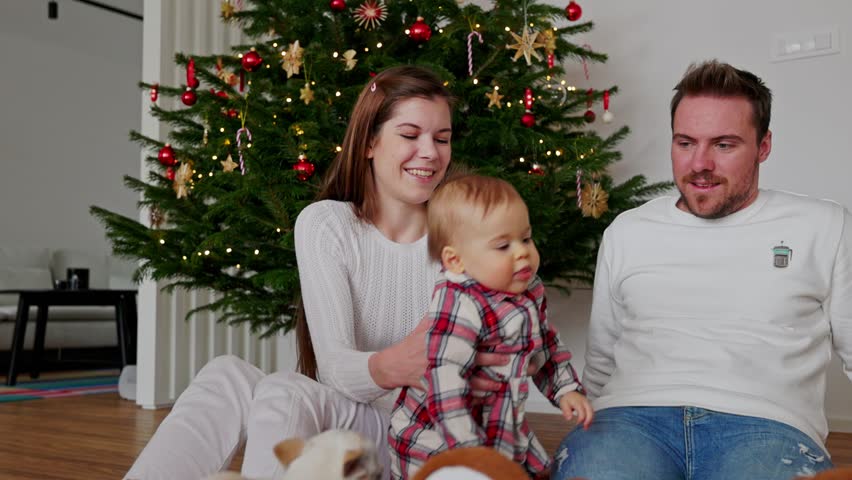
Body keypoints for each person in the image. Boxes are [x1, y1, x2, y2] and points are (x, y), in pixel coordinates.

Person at [126, 65, 511, 480]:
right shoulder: (327, 224)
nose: (430, 153)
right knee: (226, 373)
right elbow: (333, 368)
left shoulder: (465, 233)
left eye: (441, 139)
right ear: (368, 142)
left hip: (419, 437)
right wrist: (392, 366)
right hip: (348, 420)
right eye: (409, 135)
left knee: (285, 389)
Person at [551, 59, 852, 480]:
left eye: (724, 145)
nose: (699, 164)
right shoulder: (629, 231)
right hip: (630, 419)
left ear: (763, 146)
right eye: (685, 143)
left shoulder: (825, 226)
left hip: (767, 426)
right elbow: (601, 362)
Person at [389, 175, 593, 479]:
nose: (522, 252)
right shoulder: (459, 303)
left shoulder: (528, 289)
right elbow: (445, 384)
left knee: (535, 471)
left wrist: (566, 390)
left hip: (501, 424)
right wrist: (469, 453)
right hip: (440, 439)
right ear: (456, 260)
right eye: (502, 246)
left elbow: (546, 345)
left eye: (525, 239)